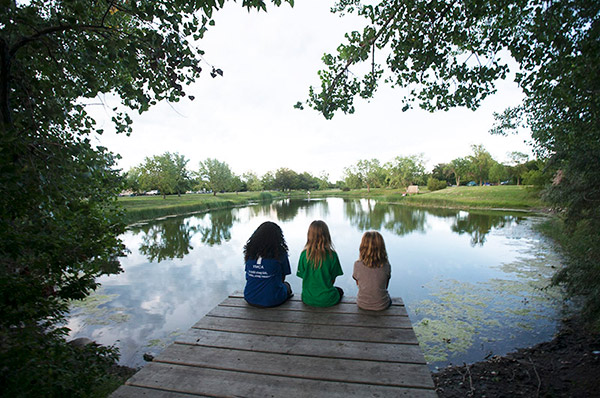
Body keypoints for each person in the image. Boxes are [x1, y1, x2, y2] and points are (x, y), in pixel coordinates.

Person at [243, 221, 293, 307]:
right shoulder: (280, 253)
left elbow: (248, 275)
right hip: (273, 300)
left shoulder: (250, 252)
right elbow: (283, 277)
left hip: (250, 297)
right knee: (287, 285)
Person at [297, 220, 343, 307]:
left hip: (307, 298)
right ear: (327, 236)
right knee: (340, 290)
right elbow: (332, 279)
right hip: (327, 299)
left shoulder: (304, 255)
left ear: (309, 235)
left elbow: (303, 276)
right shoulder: (332, 255)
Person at [352, 231, 392, 311]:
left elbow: (358, 284)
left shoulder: (357, 265)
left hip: (362, 303)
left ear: (362, 247)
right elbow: (385, 286)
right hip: (382, 305)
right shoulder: (386, 265)